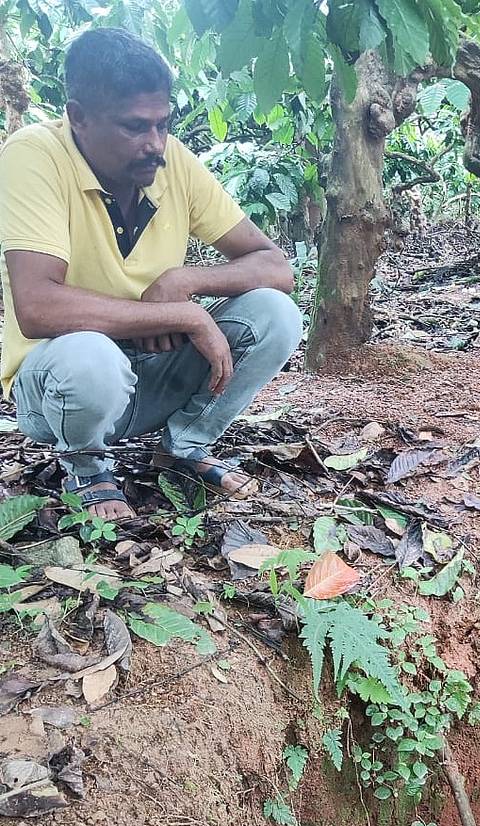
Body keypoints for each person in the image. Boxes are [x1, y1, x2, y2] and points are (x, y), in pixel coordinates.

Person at [0, 26, 303, 520]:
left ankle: (185, 444)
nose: (155, 143)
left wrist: (185, 282)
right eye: (134, 127)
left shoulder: (172, 163)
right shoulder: (34, 155)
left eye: (163, 124)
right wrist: (185, 316)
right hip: (61, 389)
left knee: (276, 312)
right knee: (90, 358)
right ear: (78, 117)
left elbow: (275, 266)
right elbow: (37, 307)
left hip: (152, 372)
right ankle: (86, 465)